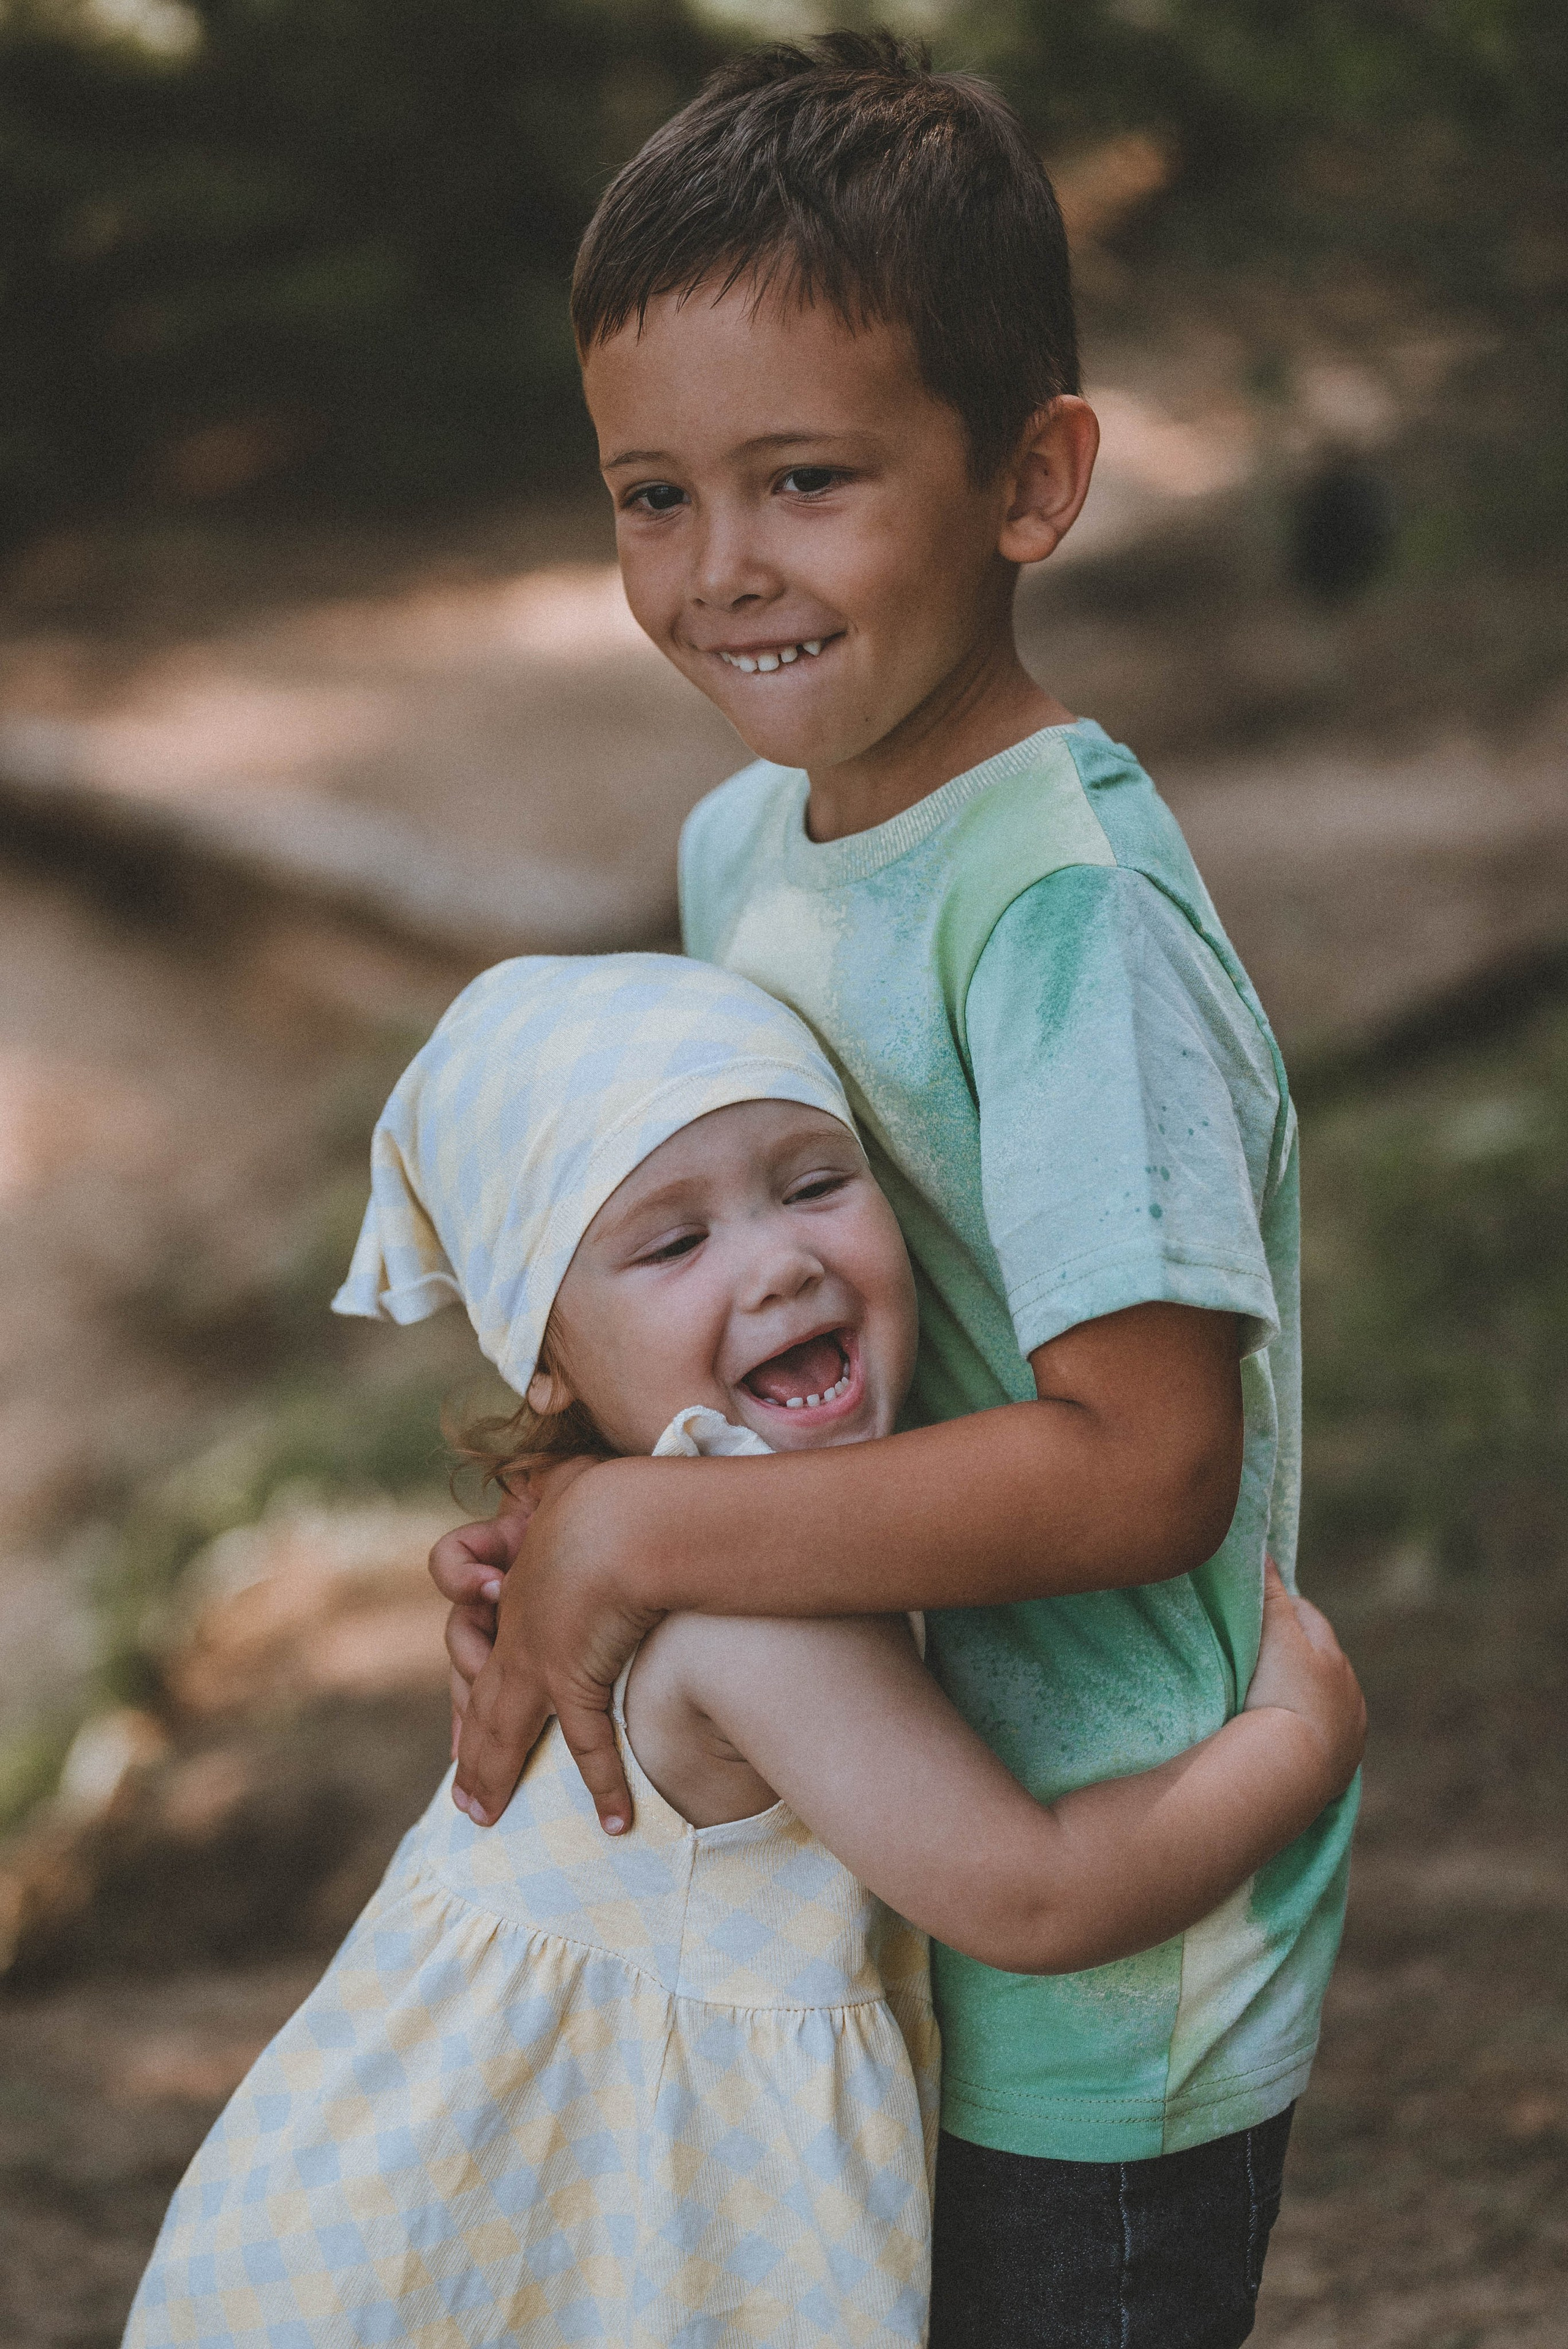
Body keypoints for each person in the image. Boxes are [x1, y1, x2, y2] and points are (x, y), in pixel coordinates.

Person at [432, 33, 1363, 2349]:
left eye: (808, 478)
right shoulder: (748, 837)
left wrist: (655, 1538)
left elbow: (1150, 1467)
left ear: (1032, 476)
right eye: (651, 494)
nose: (719, 567)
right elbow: (758, 1297)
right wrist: (578, 1496)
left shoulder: (1059, 909)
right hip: (845, 1892)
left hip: (1099, 1928)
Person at [124, 955, 1362, 2349]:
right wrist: (1292, 1745)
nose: (776, 1261)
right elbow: (1031, 1897)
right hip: (442, 2259)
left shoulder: (640, 1523)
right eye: (672, 1243)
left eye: (813, 1182)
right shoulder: (745, 1609)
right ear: (548, 1358)